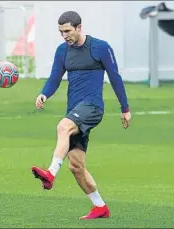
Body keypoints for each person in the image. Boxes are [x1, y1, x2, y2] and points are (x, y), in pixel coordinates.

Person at [31, 11, 131, 220]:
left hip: (93, 107)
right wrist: (44, 93)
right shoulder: (62, 51)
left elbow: (115, 77)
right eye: (61, 32)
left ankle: (50, 173)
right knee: (76, 166)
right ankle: (100, 207)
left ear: (79, 27)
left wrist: (125, 108)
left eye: (67, 31)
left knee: (63, 127)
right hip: (74, 110)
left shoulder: (100, 47)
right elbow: (54, 78)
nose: (64, 36)